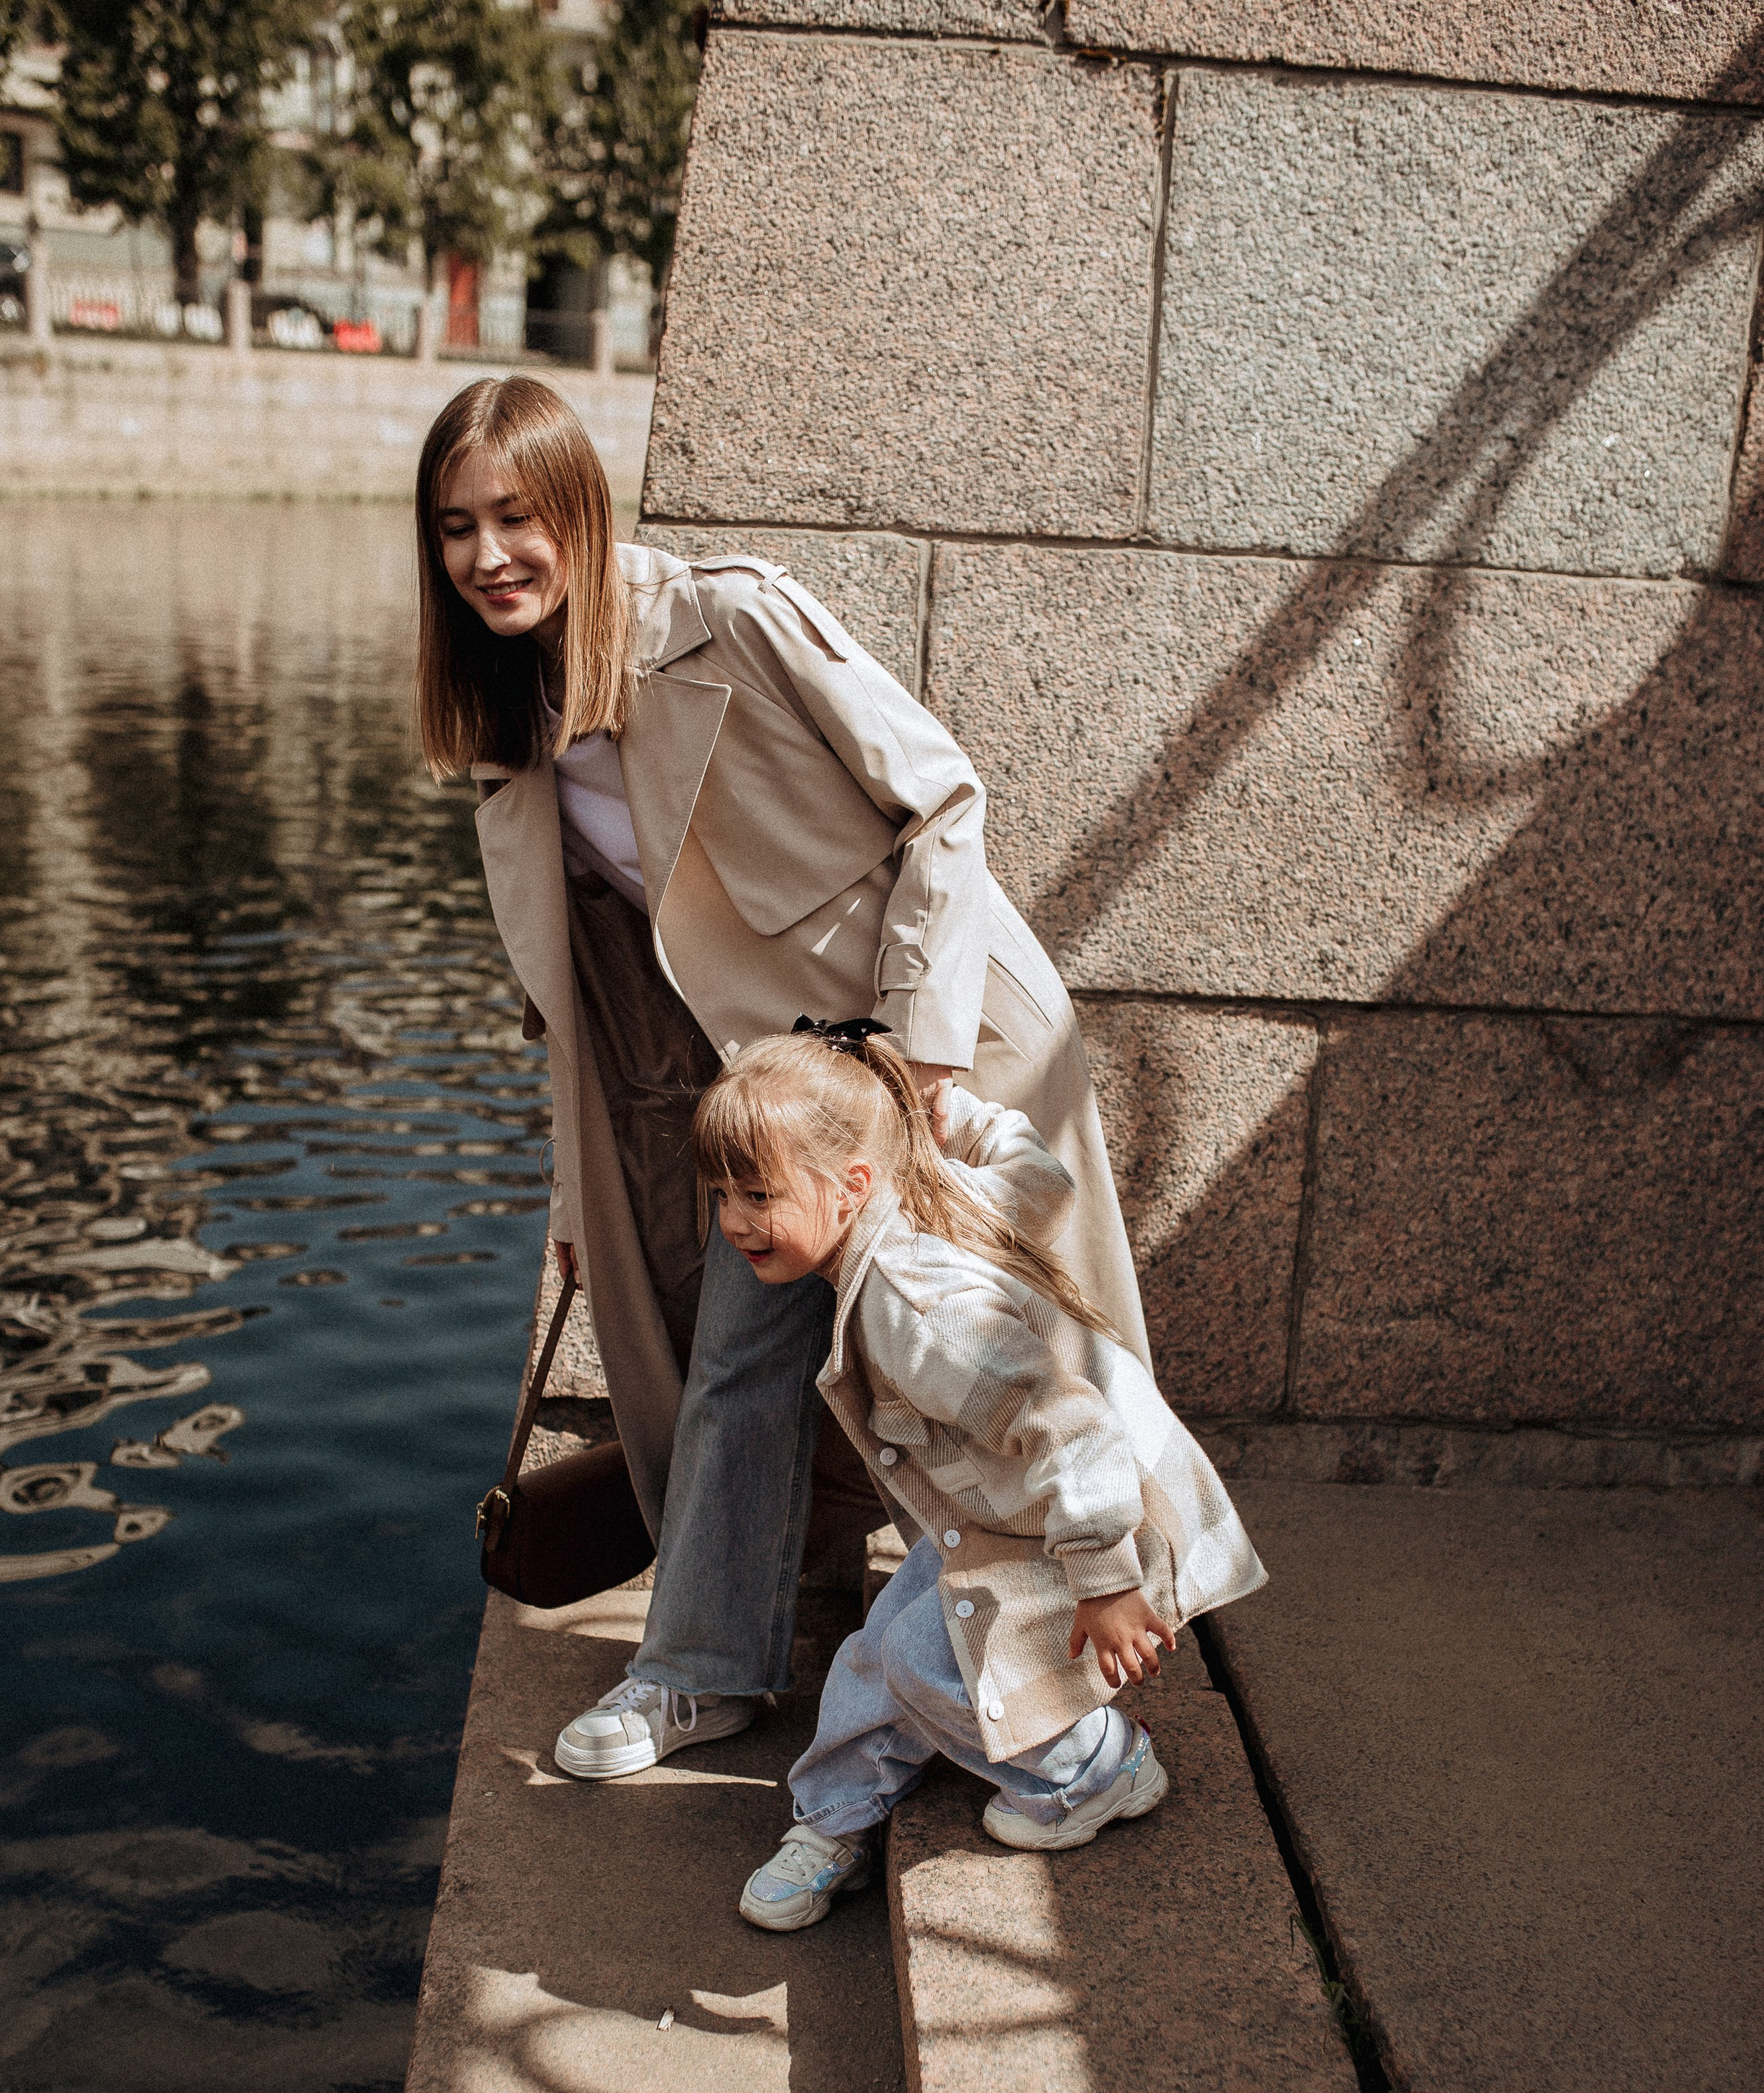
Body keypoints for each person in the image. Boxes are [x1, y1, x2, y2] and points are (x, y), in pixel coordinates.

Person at [416, 374, 1160, 1779]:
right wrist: (577, 1192)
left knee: (1001, 1359)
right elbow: (579, 1005)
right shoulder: (513, 726)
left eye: (516, 517)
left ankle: (1077, 1656)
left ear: (578, 510)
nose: (488, 555)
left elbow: (942, 796)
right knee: (739, 1359)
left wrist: (922, 1059)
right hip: (779, 1092)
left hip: (939, 1044)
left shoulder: (730, 615)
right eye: (456, 528)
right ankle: (696, 1672)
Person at [685, 1027, 1266, 1929]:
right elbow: (1040, 1179)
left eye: (759, 1195)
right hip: (1010, 1510)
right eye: (722, 1193)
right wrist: (952, 1115)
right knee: (882, 1646)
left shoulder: (916, 1312)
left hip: (1093, 1516)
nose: (734, 1222)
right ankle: (837, 1814)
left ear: (851, 1185)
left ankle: (1096, 1767)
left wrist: (1104, 1581)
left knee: (924, 1661)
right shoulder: (928, 1192)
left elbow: (1067, 1426)